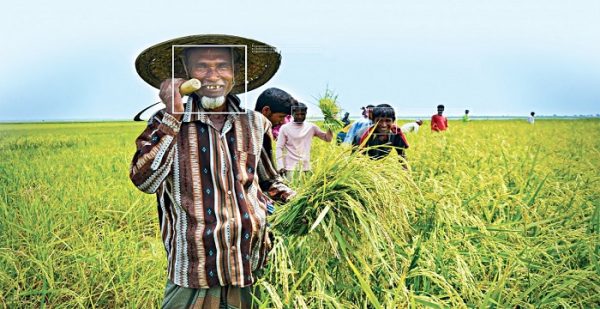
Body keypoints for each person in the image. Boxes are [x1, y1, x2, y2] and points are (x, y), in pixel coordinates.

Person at [130, 34, 295, 308]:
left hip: (249, 264)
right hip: (195, 269)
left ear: (235, 73)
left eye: (222, 66)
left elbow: (268, 180)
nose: (212, 75)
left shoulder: (255, 124)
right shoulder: (165, 122)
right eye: (202, 67)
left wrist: (302, 200)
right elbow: (144, 180)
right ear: (185, 74)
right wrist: (173, 113)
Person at [276, 103, 333, 178]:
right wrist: (280, 166)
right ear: (292, 114)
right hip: (290, 168)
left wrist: (331, 125)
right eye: (297, 114)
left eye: (302, 114)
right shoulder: (285, 128)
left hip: (306, 168)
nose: (300, 116)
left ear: (306, 113)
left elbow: (327, 138)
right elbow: (279, 147)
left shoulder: (311, 127)